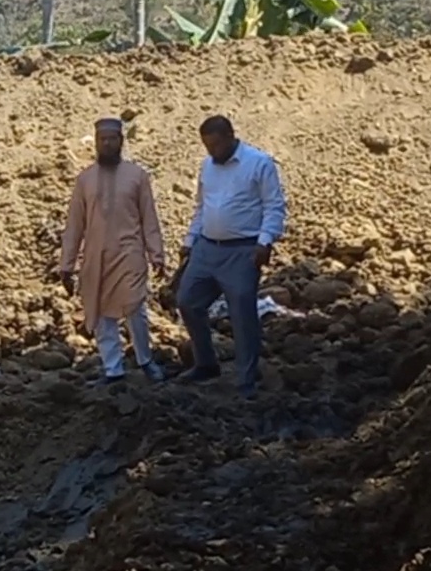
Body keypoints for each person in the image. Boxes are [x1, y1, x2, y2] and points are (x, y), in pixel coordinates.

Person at [175, 115, 288, 398]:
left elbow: (274, 206)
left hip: (243, 250)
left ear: (230, 136)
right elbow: (201, 207)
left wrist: (265, 241)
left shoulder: (259, 163)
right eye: (206, 146)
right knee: (187, 301)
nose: (211, 151)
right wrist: (189, 241)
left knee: (242, 314)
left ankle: (245, 379)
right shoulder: (207, 166)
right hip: (206, 247)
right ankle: (206, 363)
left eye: (215, 145)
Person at [57, 119, 168, 386]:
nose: (107, 144)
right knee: (101, 312)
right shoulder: (85, 180)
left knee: (135, 307)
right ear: (96, 143)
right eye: (102, 140)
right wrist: (67, 264)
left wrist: (157, 255)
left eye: (112, 139)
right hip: (96, 257)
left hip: (130, 253)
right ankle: (113, 369)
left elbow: (149, 218)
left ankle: (145, 360)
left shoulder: (137, 176)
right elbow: (75, 225)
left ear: (121, 141)